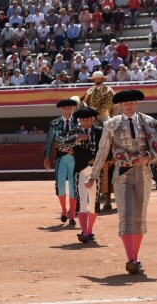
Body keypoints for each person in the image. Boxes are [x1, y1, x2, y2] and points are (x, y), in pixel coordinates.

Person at [91, 88, 157, 274]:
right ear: (120, 106)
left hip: (144, 173)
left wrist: (148, 157)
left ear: (137, 104)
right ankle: (131, 258)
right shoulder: (111, 124)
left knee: (139, 217)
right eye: (126, 104)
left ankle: (135, 256)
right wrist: (93, 174)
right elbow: (103, 150)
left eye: (132, 103)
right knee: (126, 216)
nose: (129, 106)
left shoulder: (149, 122)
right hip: (122, 174)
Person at [81, 70, 117, 210]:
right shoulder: (90, 90)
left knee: (110, 126)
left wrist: (96, 113)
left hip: (102, 114)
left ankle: (114, 150)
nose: (97, 80)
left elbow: (108, 104)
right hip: (91, 114)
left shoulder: (108, 90)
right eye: (95, 78)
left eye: (98, 78)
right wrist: (87, 110)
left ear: (102, 78)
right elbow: (85, 102)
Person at [69, 105, 104, 244]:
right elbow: (65, 147)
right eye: (82, 120)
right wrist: (76, 140)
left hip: (96, 170)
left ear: (92, 119)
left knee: (94, 201)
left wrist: (97, 160)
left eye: (87, 119)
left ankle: (89, 230)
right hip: (81, 169)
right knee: (82, 200)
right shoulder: (75, 133)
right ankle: (84, 231)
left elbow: (106, 149)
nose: (85, 122)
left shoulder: (101, 131)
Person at [42, 96, 80, 224]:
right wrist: (46, 158)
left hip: (75, 158)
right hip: (61, 158)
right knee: (61, 185)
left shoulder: (79, 122)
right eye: (64, 108)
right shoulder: (55, 124)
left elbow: (84, 140)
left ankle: (72, 215)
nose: (67, 110)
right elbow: (49, 141)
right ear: (62, 109)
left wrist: (77, 151)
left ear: (73, 108)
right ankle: (64, 210)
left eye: (69, 107)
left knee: (73, 187)